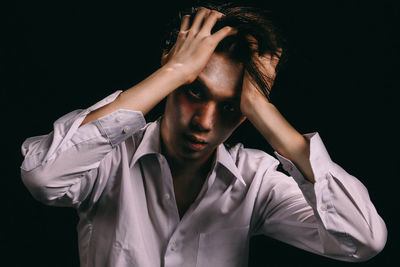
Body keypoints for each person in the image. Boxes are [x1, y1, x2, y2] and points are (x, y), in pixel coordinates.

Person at [20, 2, 387, 267]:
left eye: (231, 107)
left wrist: (264, 112)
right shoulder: (107, 160)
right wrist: (173, 71)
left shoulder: (255, 181)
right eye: (195, 90)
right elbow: (43, 176)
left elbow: (363, 240)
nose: (205, 122)